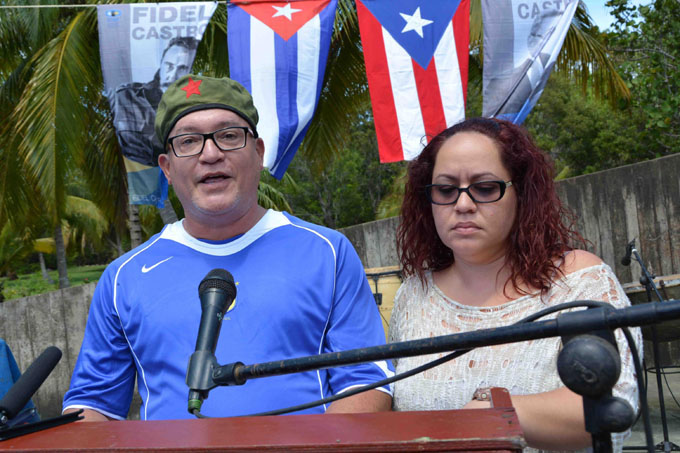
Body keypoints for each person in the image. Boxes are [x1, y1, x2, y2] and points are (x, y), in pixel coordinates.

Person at [63, 74, 393, 421]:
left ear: (258, 152)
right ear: (167, 168)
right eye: (188, 141)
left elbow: (367, 383)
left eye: (229, 136)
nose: (210, 153)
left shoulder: (328, 252)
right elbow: (95, 404)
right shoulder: (123, 278)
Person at [389, 117, 641, 452]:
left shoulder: (579, 280)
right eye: (446, 190)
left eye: (485, 188)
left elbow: (614, 407)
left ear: (521, 192)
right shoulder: (413, 294)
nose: (463, 204)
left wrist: (491, 411)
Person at [108, 36, 199, 167]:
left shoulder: (196, 110)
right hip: (134, 177)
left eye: (182, 69)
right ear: (161, 64)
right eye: (169, 65)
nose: (172, 75)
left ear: (189, 72)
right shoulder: (125, 96)